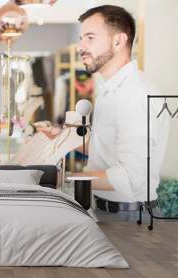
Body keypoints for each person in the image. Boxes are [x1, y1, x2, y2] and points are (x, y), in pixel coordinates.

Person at [71, 5, 170, 202]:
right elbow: (104, 149)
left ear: (118, 41)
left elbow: (133, 178)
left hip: (127, 220)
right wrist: (64, 139)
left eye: (90, 38)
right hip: (107, 211)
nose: (81, 47)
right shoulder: (110, 91)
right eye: (81, 39)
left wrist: (65, 179)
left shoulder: (135, 94)